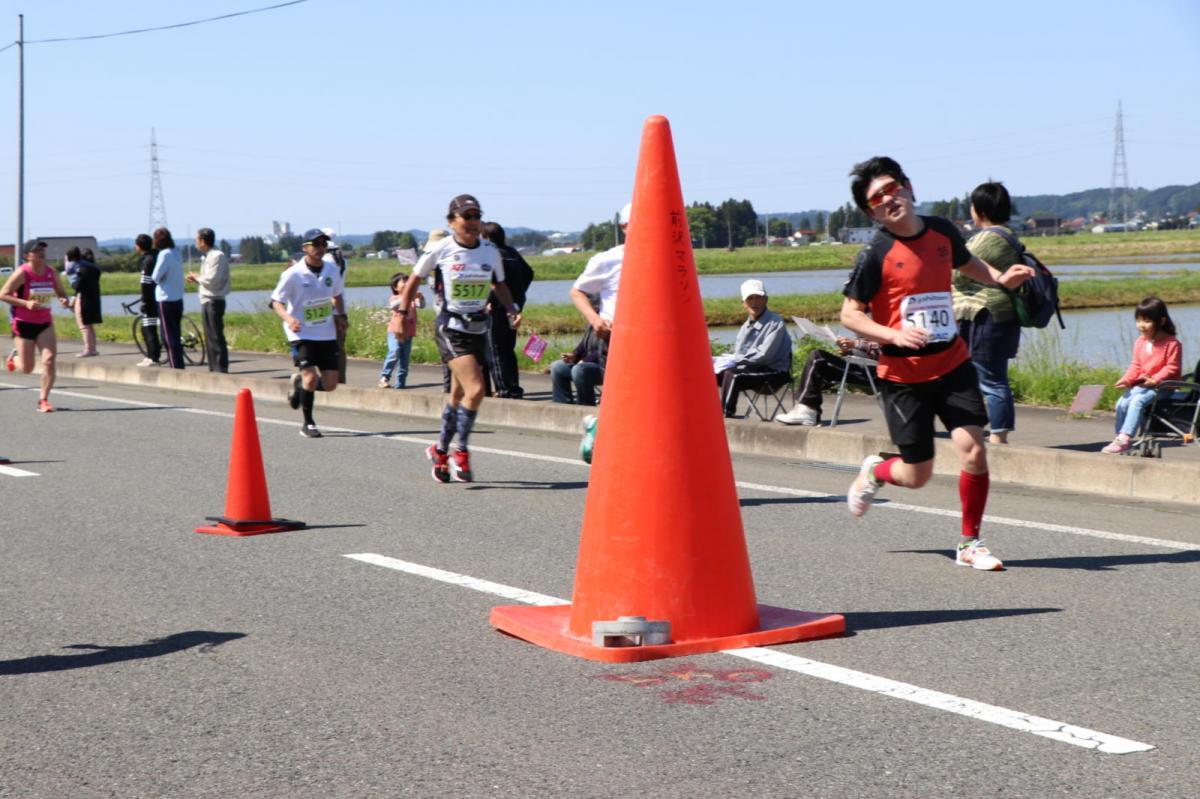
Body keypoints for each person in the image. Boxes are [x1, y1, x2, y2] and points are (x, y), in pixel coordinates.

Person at [840, 156, 1033, 571]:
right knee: (917, 476)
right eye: (877, 198)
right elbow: (850, 315)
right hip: (903, 376)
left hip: (952, 363)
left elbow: (966, 262)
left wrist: (1000, 279)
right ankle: (876, 470)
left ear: (909, 188)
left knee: (974, 450)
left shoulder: (943, 231)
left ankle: (970, 543)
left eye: (893, 188)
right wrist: (892, 335)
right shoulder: (875, 253)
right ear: (870, 212)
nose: (889, 199)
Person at [393, 194, 522, 482]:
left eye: (477, 216)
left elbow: (499, 284)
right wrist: (401, 313)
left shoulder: (490, 251)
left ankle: (439, 450)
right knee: (477, 389)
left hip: (479, 329)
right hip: (450, 328)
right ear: (452, 221)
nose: (473, 222)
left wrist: (512, 308)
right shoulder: (441, 249)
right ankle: (460, 450)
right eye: (467, 217)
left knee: (458, 395)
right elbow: (414, 280)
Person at [953, 182, 1023, 445]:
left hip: (985, 315)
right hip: (990, 315)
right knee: (986, 377)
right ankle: (990, 432)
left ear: (979, 209)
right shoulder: (1005, 234)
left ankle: (998, 437)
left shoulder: (989, 238)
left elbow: (958, 273)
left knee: (991, 379)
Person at [270, 229, 347, 438]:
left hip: (326, 332)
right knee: (311, 377)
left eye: (323, 244)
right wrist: (289, 319)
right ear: (305, 247)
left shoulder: (331, 269)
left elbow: (338, 295)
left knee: (331, 384)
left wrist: (341, 316)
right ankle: (308, 423)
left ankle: (300, 384)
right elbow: (276, 301)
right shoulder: (293, 274)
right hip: (301, 333)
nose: (320, 248)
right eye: (316, 244)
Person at [1102, 296, 1182, 454]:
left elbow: (1172, 367)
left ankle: (1125, 438)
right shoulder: (1140, 342)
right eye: (1138, 321)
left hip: (1163, 387)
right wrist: (1126, 380)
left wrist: (1155, 379)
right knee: (1122, 403)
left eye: (1147, 321)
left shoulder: (1172, 344)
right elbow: (1135, 366)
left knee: (1137, 401)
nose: (1141, 325)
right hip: (1143, 385)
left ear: (1161, 321)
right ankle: (1120, 437)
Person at [1, 240, 71, 412]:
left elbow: (62, 293)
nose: (41, 252)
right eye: (36, 250)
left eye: (42, 249)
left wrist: (64, 300)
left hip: (44, 322)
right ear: (27, 256)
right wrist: (26, 303)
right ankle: (13, 359)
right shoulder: (22, 273)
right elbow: (3, 294)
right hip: (23, 323)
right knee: (27, 368)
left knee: (49, 360)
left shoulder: (51, 272)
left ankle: (43, 400)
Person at [715, 279, 792, 418]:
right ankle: (704, 411)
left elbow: (765, 356)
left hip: (775, 372)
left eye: (759, 297)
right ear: (743, 303)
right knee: (708, 374)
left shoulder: (776, 322)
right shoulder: (745, 326)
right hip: (752, 369)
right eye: (750, 298)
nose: (755, 302)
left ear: (766, 300)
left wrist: (736, 359)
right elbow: (739, 353)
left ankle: (725, 416)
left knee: (733, 375)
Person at [776, 336, 880, 426]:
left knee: (817, 357)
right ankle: (807, 409)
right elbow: (866, 353)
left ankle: (807, 410)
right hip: (859, 366)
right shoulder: (866, 323)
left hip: (873, 374)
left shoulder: (883, 323)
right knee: (819, 361)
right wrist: (848, 351)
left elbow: (883, 348)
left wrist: (855, 343)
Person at [482, 222, 534, 398]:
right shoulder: (512, 252)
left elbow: (494, 282)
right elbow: (529, 273)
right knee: (508, 349)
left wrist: (491, 300)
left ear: (487, 237)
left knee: (495, 349)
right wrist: (519, 294)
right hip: (515, 307)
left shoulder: (492, 254)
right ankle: (514, 388)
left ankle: (503, 389)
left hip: (497, 307)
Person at [570, 202, 630, 346]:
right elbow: (577, 292)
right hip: (615, 338)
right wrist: (596, 320)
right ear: (624, 227)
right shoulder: (607, 259)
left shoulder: (672, 257)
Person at [188, 228, 231, 372]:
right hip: (207, 299)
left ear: (203, 241)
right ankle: (214, 368)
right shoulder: (209, 256)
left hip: (214, 300)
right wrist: (197, 278)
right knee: (210, 336)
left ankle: (220, 368)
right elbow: (208, 278)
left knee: (215, 335)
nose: (196, 242)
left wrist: (197, 277)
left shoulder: (217, 256)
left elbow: (212, 280)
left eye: (197, 239)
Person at [379, 272, 424, 389]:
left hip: (409, 332)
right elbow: (394, 305)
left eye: (409, 282)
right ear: (395, 287)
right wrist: (408, 296)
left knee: (405, 358)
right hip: (395, 331)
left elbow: (422, 305)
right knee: (394, 351)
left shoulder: (412, 300)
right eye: (404, 282)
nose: (408, 284)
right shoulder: (395, 298)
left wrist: (420, 297)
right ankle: (384, 377)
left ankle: (401, 382)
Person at [150, 227, 185, 369]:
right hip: (178, 297)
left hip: (165, 298)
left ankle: (175, 366)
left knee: (168, 336)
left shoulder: (164, 254)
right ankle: (179, 363)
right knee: (176, 333)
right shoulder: (176, 252)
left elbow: (155, 276)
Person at [551, 323, 607, 405]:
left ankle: (585, 405)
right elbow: (583, 344)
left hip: (604, 366)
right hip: (586, 364)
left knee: (579, 370)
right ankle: (562, 404)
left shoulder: (609, 322)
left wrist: (585, 360)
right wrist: (574, 354)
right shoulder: (592, 323)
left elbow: (604, 350)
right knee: (557, 367)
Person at [134, 234, 162, 366]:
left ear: (139, 246)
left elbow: (145, 283)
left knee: (148, 328)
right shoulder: (157, 256)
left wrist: (144, 301)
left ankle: (153, 357)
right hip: (160, 296)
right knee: (152, 327)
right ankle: (153, 355)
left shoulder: (147, 260)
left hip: (151, 299)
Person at [72, 247, 103, 357]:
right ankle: (93, 349)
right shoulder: (96, 269)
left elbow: (77, 285)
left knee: (83, 325)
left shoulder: (82, 269)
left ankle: (88, 349)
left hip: (83, 298)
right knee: (89, 326)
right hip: (93, 298)